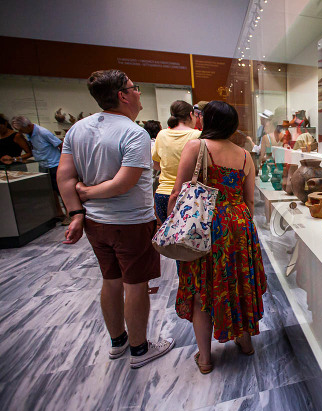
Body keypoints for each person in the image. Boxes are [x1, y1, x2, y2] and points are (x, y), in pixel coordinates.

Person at [57, 69, 174, 369]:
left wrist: (77, 213)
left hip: (97, 224)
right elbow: (123, 183)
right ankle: (139, 349)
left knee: (111, 281)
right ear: (122, 95)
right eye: (135, 88)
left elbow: (65, 176)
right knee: (135, 284)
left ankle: (118, 341)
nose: (138, 93)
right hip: (130, 223)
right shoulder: (133, 132)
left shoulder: (78, 129)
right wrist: (87, 194)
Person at [168, 100, 267, 374]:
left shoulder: (195, 147)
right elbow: (249, 200)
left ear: (205, 121)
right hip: (239, 225)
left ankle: (205, 358)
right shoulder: (246, 156)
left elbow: (178, 193)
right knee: (237, 283)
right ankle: (245, 342)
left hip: (205, 225)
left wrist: (170, 222)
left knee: (202, 289)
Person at [11, 115, 68, 220]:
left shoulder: (43, 132)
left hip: (54, 165)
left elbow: (61, 145)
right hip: (43, 165)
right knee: (51, 192)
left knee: (61, 191)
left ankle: (69, 215)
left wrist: (64, 163)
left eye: (21, 130)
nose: (20, 133)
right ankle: (59, 213)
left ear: (27, 126)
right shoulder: (29, 134)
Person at [152, 101, 200, 223]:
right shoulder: (197, 135)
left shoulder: (161, 134)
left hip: (162, 194)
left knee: (167, 236)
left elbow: (156, 164)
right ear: (191, 114)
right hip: (188, 194)